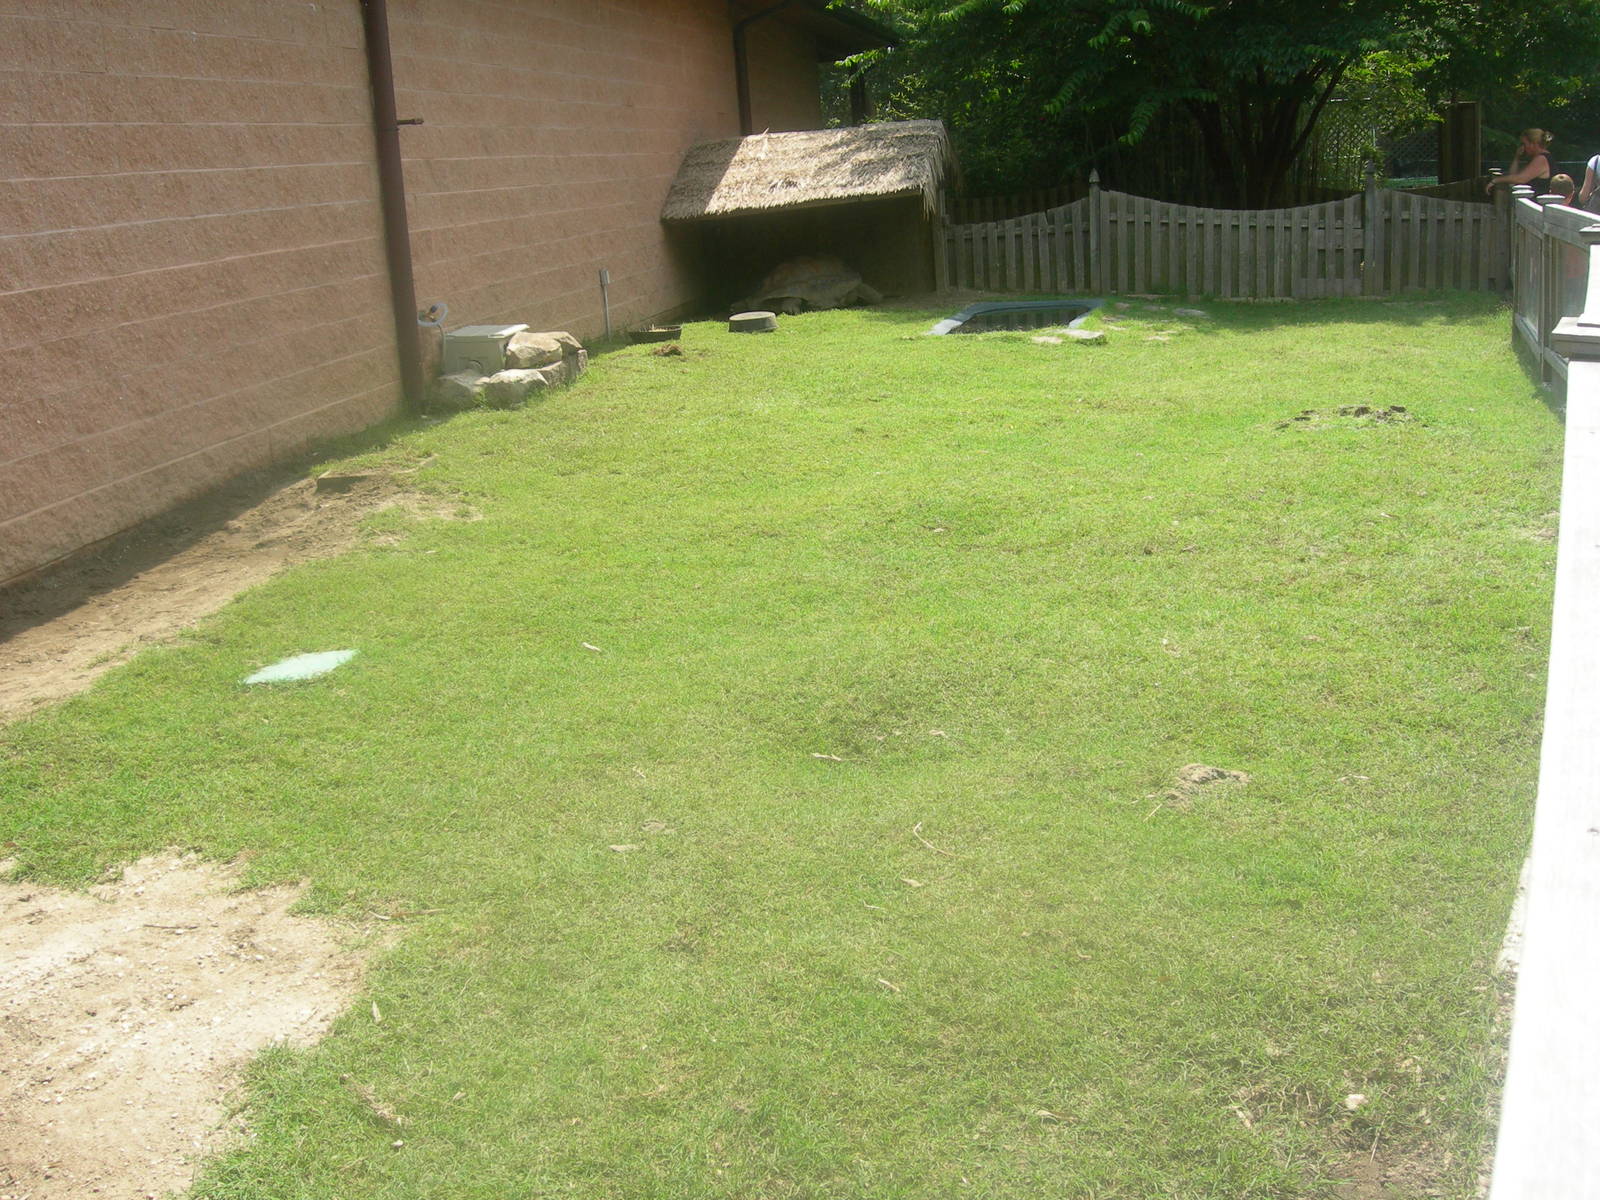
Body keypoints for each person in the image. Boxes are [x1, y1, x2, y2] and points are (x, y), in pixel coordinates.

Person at [1486, 128, 1556, 197]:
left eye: (1524, 144)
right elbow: (1513, 175)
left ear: (1533, 144)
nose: (1523, 147)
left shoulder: (1541, 159)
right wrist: (1517, 157)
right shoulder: (1536, 158)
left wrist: (1496, 180)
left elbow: (1521, 179)